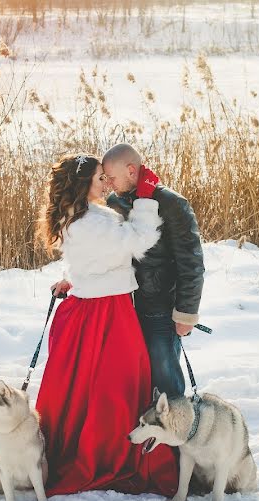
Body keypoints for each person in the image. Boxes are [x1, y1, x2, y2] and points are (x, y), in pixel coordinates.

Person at [34, 153, 178, 496]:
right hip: (107, 312)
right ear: (84, 184)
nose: (105, 183)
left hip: (99, 304)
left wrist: (73, 278)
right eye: (100, 178)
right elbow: (138, 241)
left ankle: (96, 445)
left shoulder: (84, 217)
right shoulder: (91, 222)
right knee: (118, 385)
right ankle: (107, 454)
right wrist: (144, 199)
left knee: (96, 386)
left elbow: (94, 258)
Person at [101, 143, 205, 400]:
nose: (109, 184)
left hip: (161, 308)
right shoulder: (114, 204)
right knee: (133, 380)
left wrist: (186, 313)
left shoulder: (171, 204)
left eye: (112, 178)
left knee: (164, 377)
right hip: (125, 306)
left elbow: (191, 262)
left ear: (131, 170)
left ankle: (174, 436)